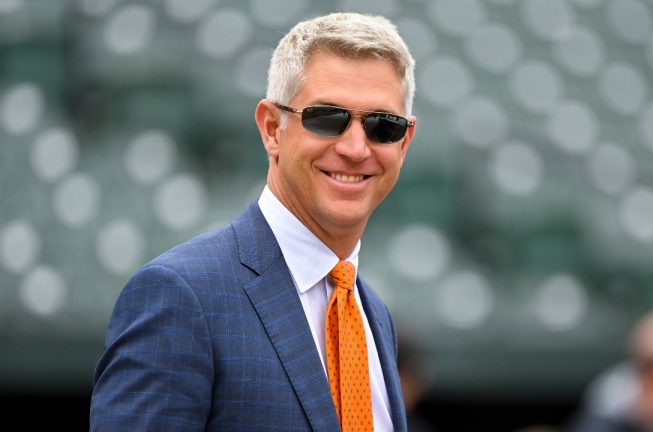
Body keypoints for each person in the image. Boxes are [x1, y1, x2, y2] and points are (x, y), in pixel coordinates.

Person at [90, 12, 417, 432]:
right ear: (271, 129)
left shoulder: (374, 317)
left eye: (381, 126)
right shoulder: (181, 297)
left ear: (404, 142)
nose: (356, 147)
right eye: (326, 117)